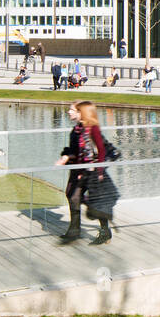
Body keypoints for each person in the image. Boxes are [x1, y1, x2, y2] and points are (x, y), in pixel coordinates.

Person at [55, 100, 118, 245]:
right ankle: (74, 230)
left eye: (71, 110)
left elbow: (101, 150)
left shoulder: (92, 128)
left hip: (91, 171)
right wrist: (66, 157)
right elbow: (76, 152)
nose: (68, 112)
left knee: (94, 200)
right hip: (79, 169)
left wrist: (100, 171)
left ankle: (104, 231)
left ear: (80, 112)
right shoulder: (77, 129)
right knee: (72, 196)